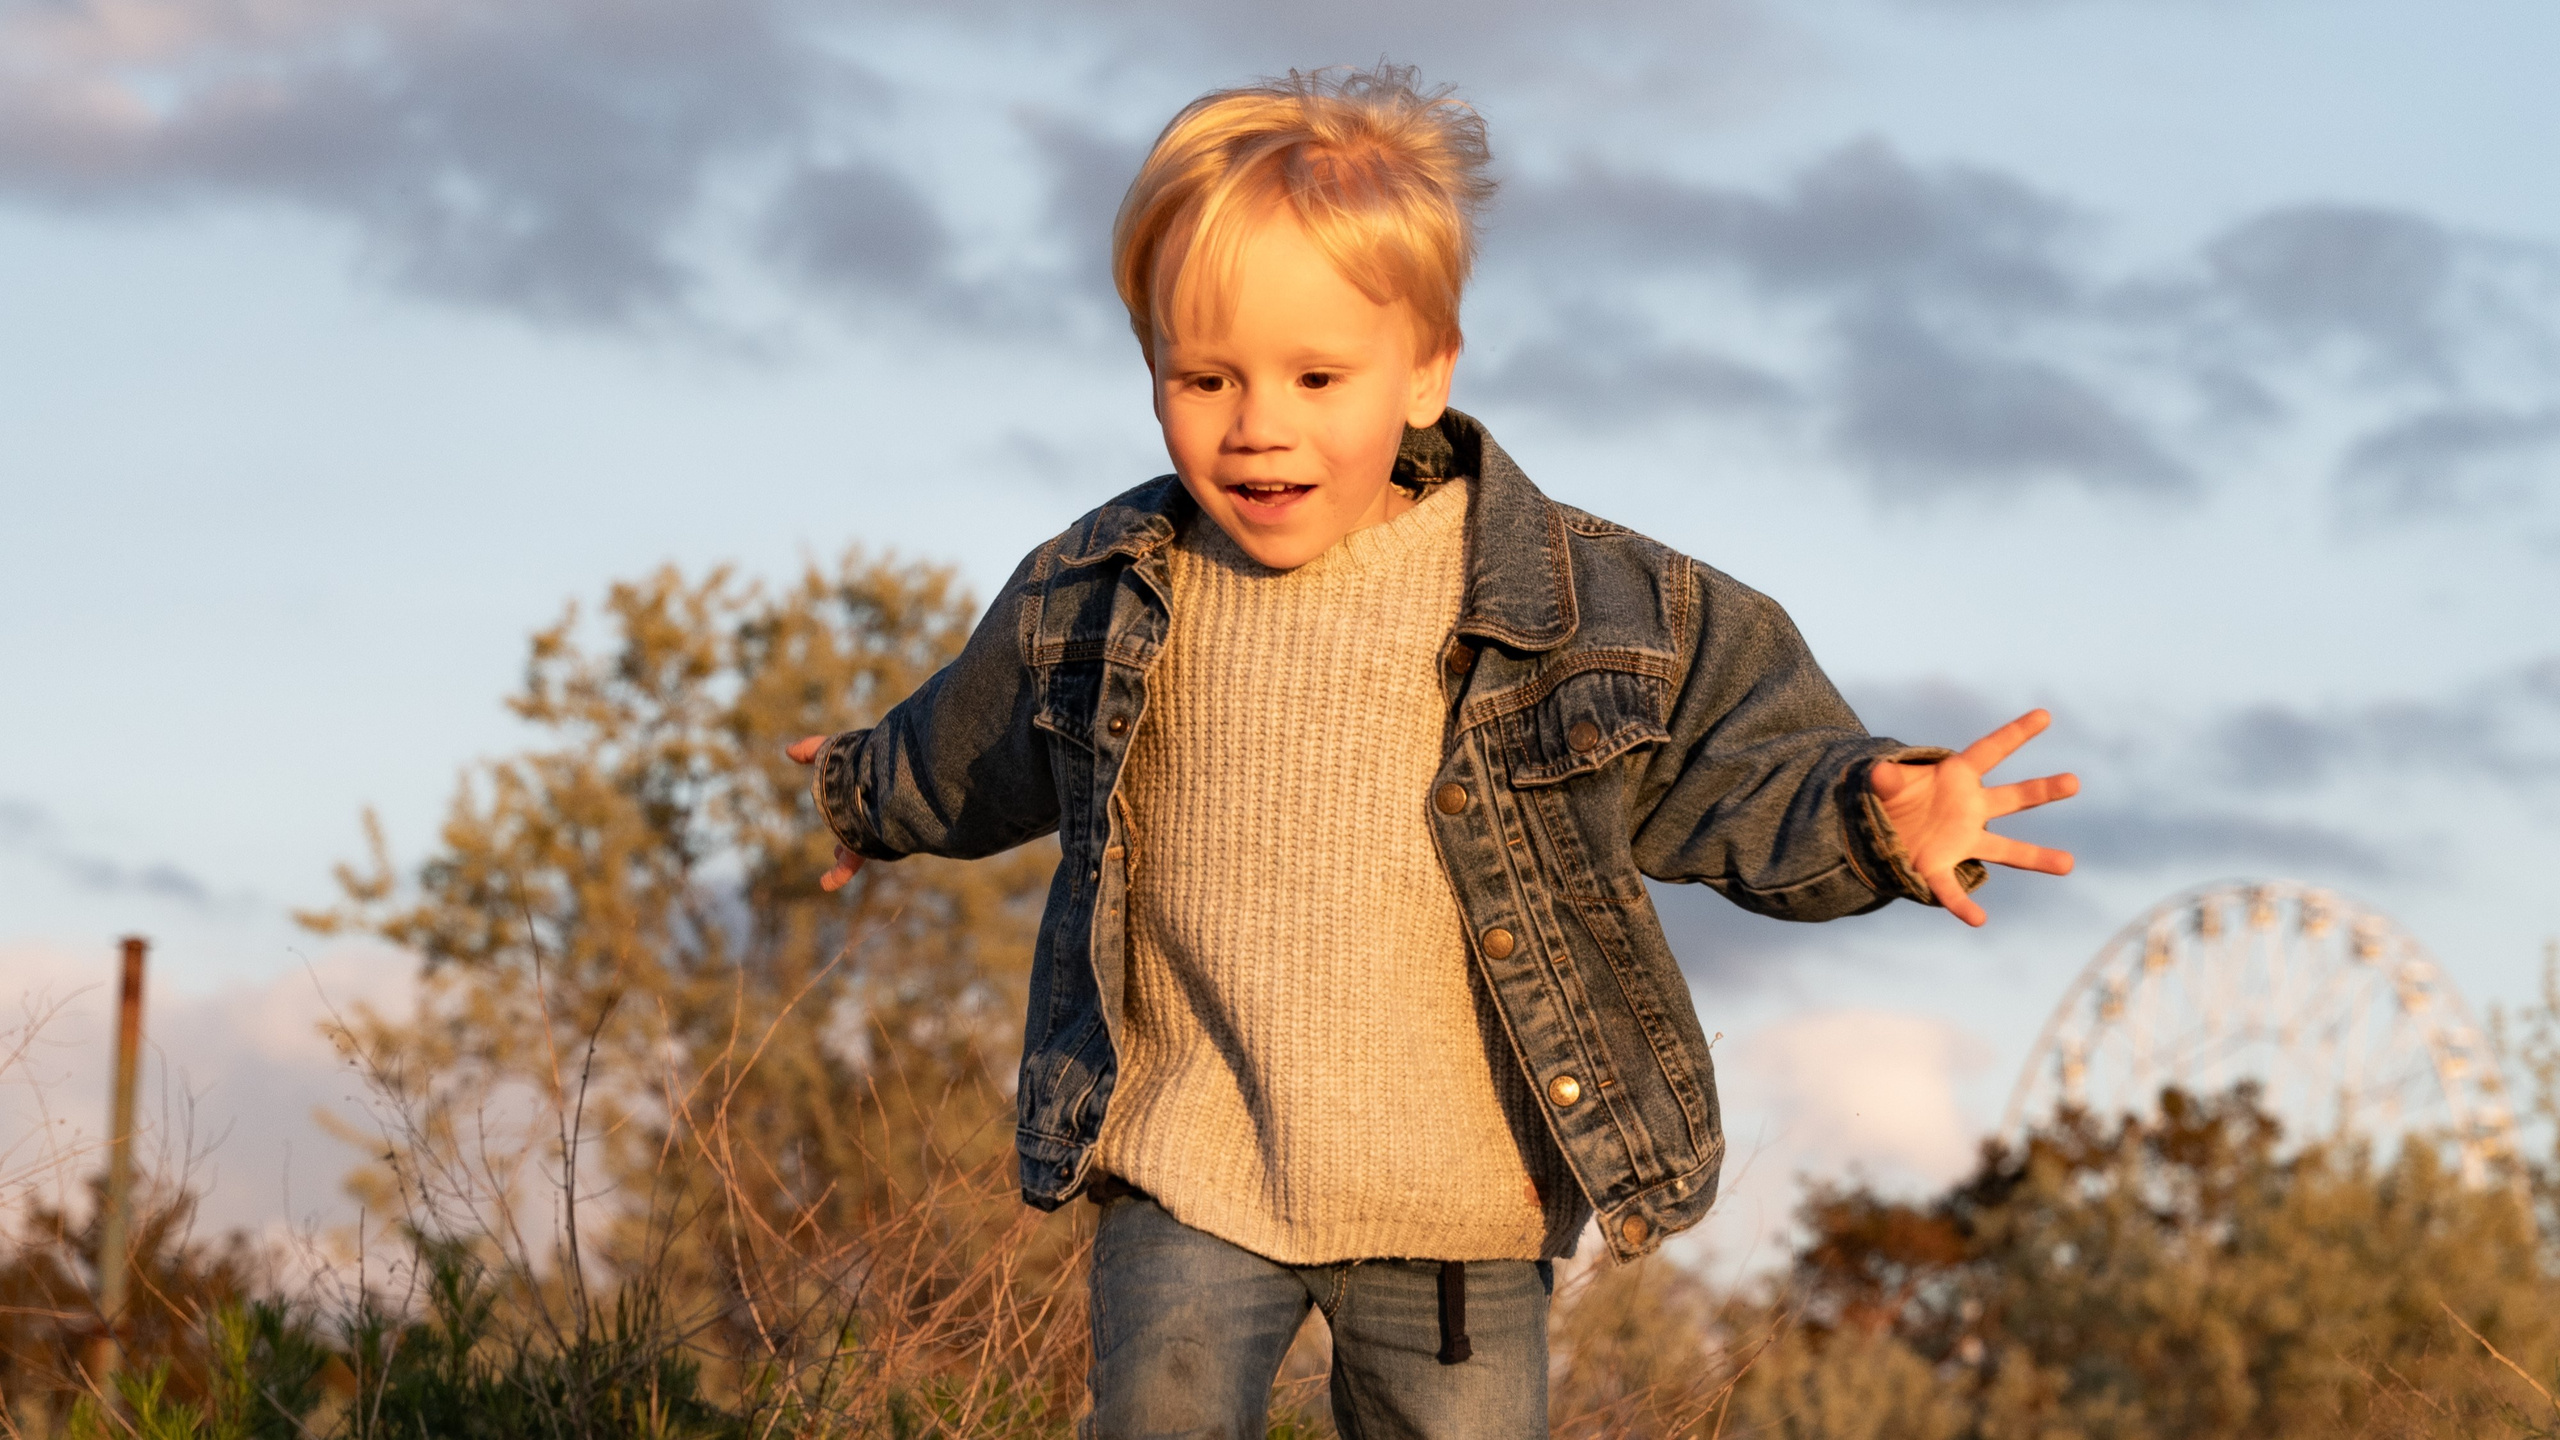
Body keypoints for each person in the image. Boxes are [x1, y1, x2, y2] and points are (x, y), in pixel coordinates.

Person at [787, 64, 2078, 1440]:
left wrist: (1875, 816)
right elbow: (980, 737)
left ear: (1424, 372)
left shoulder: (1578, 609)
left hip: (1460, 1199)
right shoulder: (1103, 589)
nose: (1257, 422)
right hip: (1190, 1156)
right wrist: (868, 794)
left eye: (1316, 375)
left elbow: (1736, 766)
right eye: (1202, 376)